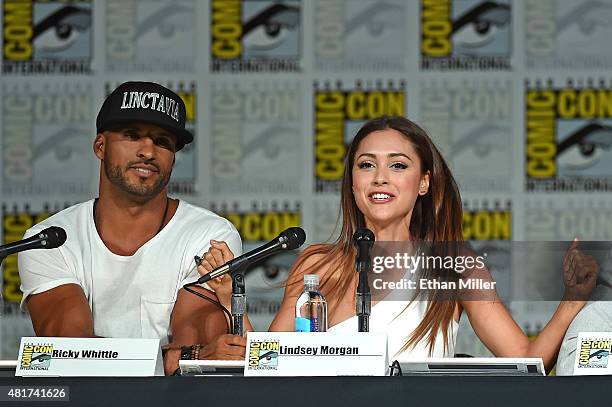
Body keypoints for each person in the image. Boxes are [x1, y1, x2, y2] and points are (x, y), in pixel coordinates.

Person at [202, 116, 599, 372]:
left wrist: (572, 300)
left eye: (397, 165)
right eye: (366, 164)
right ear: (352, 182)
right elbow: (269, 363)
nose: (380, 178)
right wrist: (226, 298)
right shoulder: (316, 264)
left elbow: (527, 360)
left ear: (423, 182)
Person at [18, 81, 247, 375]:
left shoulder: (210, 235)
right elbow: (69, 351)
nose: (148, 151)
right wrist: (179, 359)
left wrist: (186, 357)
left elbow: (199, 348)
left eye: (163, 141)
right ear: (100, 146)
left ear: (173, 158)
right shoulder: (49, 240)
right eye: (132, 136)